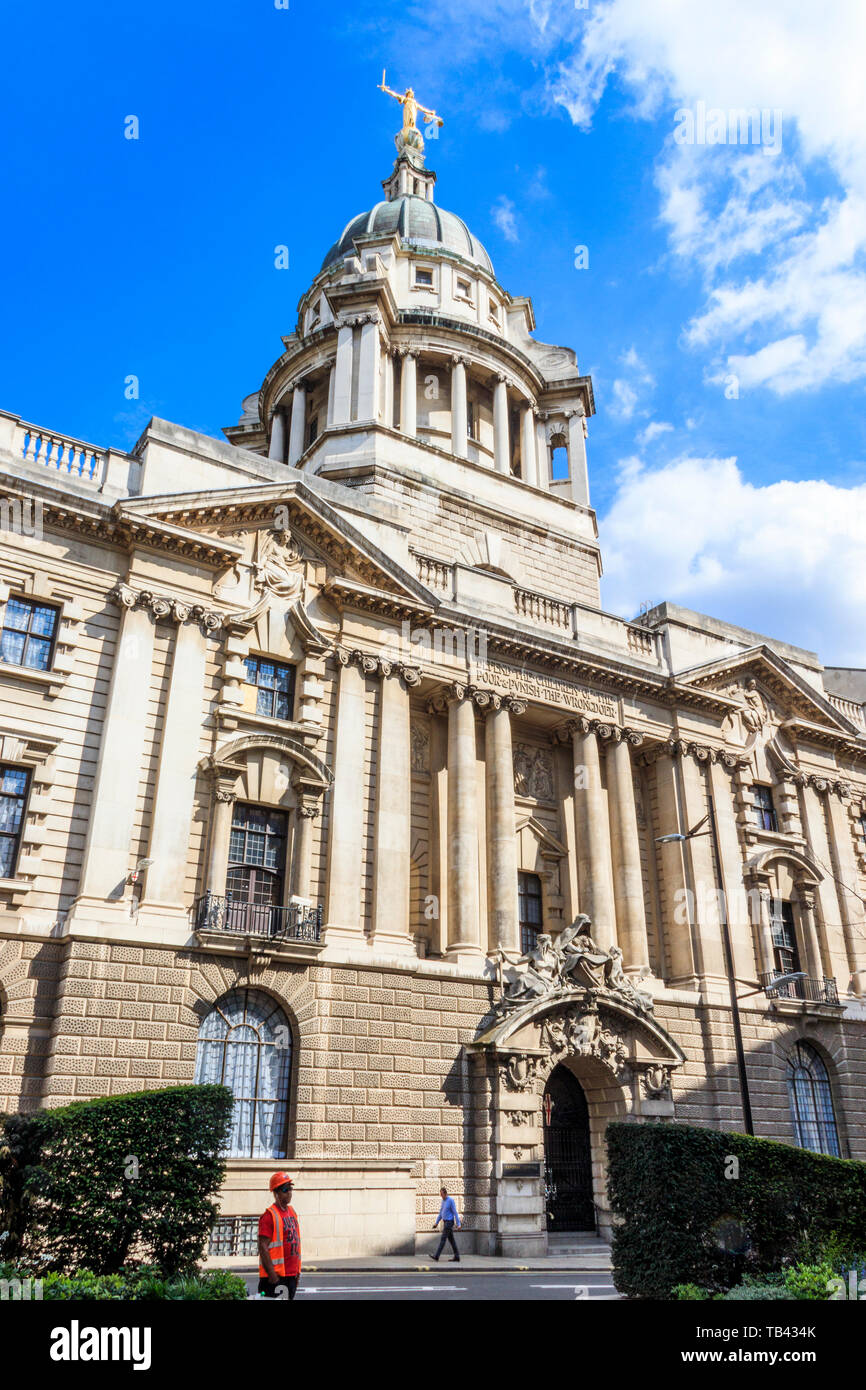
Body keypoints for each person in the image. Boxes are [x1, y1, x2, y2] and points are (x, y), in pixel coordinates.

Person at [258, 1172, 302, 1300]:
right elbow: (263, 1247)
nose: (289, 1192)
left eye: (290, 1188)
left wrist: (296, 1272)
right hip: (275, 1278)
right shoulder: (269, 1216)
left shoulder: (292, 1212)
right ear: (275, 1193)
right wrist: (273, 1276)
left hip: (291, 1275)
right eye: (285, 1189)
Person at [431, 1187, 462, 1262]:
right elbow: (441, 1213)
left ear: (445, 1193)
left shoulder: (450, 1201)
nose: (441, 1196)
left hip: (449, 1222)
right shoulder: (443, 1201)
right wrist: (436, 1222)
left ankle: (437, 1256)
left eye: (442, 1194)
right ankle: (457, 1256)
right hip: (445, 1222)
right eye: (440, 1194)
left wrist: (458, 1224)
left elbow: (455, 1212)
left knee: (443, 1239)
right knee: (451, 1240)